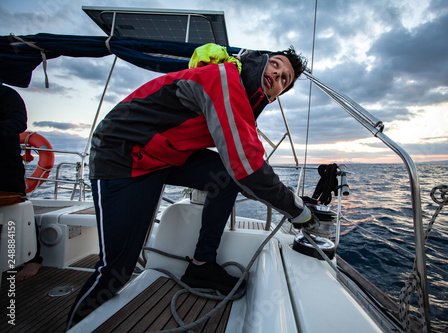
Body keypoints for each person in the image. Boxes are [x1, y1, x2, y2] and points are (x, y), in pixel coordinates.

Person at [67, 44, 314, 328]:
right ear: (261, 61)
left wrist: (289, 202)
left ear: (275, 96)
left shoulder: (243, 102)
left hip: (161, 155)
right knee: (117, 270)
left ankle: (201, 266)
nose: (278, 75)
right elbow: (248, 166)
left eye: (285, 80)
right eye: (277, 65)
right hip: (121, 154)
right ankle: (75, 324)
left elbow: (241, 163)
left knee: (224, 174)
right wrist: (298, 211)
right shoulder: (225, 80)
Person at [0, 83, 43, 280]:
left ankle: (33, 259)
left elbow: (19, 123)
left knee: (19, 204)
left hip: (5, 161)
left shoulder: (7, 94)